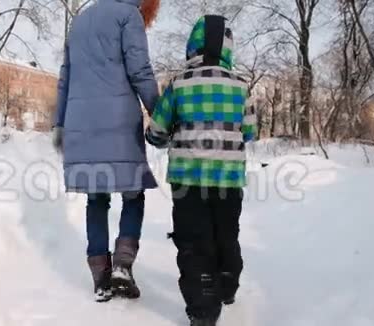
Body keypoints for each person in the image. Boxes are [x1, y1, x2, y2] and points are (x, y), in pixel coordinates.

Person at [145, 15, 257, 326]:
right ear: (227, 49)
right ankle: (227, 286)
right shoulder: (240, 87)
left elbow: (156, 132)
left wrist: (162, 136)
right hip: (228, 181)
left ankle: (203, 310)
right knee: (226, 235)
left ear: (192, 47)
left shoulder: (179, 84)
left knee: (194, 242)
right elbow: (250, 131)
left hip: (187, 181)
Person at [52, 0, 160, 303]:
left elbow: (66, 78)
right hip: (118, 120)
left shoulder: (80, 19)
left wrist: (60, 124)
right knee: (133, 193)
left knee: (96, 198)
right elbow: (140, 70)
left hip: (80, 122)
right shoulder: (129, 16)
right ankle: (123, 265)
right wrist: (161, 112)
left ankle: (101, 277)